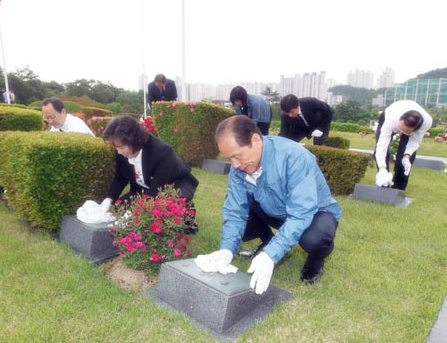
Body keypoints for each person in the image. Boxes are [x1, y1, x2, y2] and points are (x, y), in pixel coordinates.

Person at [195, 115, 341, 294]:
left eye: (237, 156)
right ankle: (268, 241)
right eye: (229, 159)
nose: (235, 165)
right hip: (274, 209)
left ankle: (315, 259)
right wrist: (227, 250)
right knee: (239, 215)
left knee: (315, 239)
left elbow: (301, 213)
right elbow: (235, 210)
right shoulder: (239, 167)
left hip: (313, 214)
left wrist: (271, 255)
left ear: (255, 140)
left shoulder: (294, 157)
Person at [99, 116, 199, 227]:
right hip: (145, 186)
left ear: (133, 140)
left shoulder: (162, 152)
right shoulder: (122, 151)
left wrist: (134, 214)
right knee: (122, 206)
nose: (118, 152)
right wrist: (108, 200)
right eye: (116, 147)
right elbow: (120, 177)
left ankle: (186, 210)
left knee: (161, 216)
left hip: (176, 184)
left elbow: (156, 191)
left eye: (120, 147)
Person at [374, 100, 432, 190]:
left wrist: (407, 156)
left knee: (405, 154)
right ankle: (383, 181)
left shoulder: (426, 122)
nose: (400, 133)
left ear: (415, 130)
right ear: (400, 119)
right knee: (380, 149)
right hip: (389, 115)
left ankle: (399, 187)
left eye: (405, 131)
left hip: (410, 125)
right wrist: (382, 167)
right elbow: (382, 146)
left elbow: (414, 141)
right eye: (400, 129)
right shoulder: (391, 118)